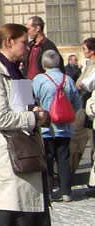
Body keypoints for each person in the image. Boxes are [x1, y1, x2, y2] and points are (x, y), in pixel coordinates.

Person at [0, 23, 52, 224]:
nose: (27, 48)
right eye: (23, 43)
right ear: (9, 42)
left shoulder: (17, 73)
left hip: (28, 158)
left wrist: (38, 113)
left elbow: (25, 108)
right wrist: (34, 118)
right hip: (9, 164)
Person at [32, 49, 82, 201]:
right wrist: (66, 114)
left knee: (46, 159)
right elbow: (77, 103)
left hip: (46, 127)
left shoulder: (39, 79)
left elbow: (33, 99)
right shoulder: (68, 79)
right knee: (64, 159)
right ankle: (66, 192)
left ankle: (47, 192)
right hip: (64, 127)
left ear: (43, 64)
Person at [69, 38, 95, 173]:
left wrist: (80, 85)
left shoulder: (93, 66)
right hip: (84, 106)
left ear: (92, 51)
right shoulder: (88, 64)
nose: (83, 51)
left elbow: (83, 84)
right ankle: (67, 171)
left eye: (85, 49)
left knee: (91, 143)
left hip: (90, 108)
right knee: (76, 139)